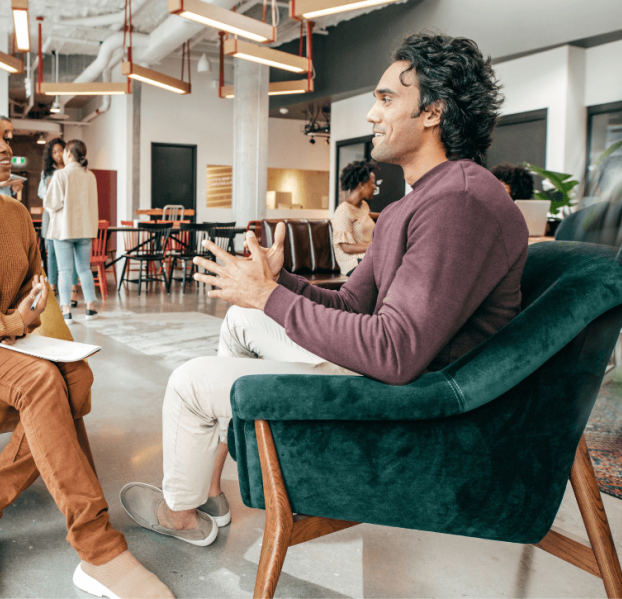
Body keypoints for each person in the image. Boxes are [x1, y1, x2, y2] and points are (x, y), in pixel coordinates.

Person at [119, 32, 529, 546]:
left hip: (409, 403)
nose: (371, 115)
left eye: (385, 99)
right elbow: (352, 304)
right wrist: (277, 282)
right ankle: (209, 489)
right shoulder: (414, 204)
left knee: (188, 381)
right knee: (241, 320)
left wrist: (270, 296)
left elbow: (395, 352)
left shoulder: (459, 203)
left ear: (433, 112)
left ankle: (181, 512)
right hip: (383, 374)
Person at [0, 102, 172, 598]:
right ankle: (98, 549)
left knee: (76, 378)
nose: (5, 147)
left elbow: (33, 288)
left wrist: (22, 315)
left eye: (6, 136)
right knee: (40, 381)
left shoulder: (17, 214)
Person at [44, 139, 100, 323]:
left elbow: (51, 203)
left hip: (64, 230)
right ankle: (90, 307)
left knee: (65, 271)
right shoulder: (90, 176)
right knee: (84, 269)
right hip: (85, 229)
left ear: (68, 153)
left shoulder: (60, 175)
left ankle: (66, 311)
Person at [38, 137, 78, 305]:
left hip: (69, 215)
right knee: (52, 252)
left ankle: (73, 290)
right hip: (51, 215)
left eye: (60, 151)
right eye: (54, 152)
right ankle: (53, 288)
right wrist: (48, 187)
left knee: (72, 253)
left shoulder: (72, 170)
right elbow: (41, 194)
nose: (57, 155)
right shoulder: (47, 172)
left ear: (66, 151)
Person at [331, 161, 377, 275]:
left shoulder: (364, 206)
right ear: (361, 184)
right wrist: (376, 246)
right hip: (352, 263)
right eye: (372, 183)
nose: (375, 187)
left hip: (369, 258)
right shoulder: (343, 211)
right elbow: (346, 248)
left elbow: (364, 217)